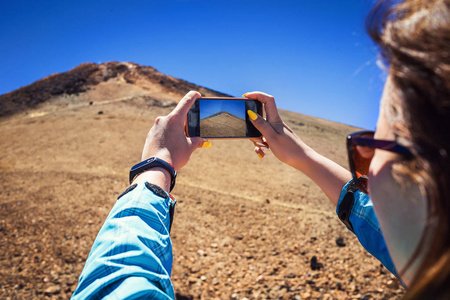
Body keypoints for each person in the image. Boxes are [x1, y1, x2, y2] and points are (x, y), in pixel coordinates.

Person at [72, 0, 449, 299]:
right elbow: (378, 227)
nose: (364, 180)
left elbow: (116, 285)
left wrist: (155, 169)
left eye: (368, 151)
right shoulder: (433, 255)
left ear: (430, 181)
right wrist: (302, 156)